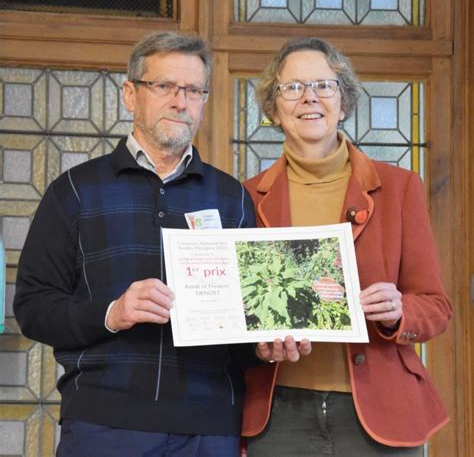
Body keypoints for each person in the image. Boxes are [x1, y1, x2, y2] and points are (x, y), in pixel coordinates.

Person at [13, 31, 284, 457]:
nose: (181, 101)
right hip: (104, 426)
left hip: (210, 429)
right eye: (164, 86)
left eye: (193, 90)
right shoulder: (75, 191)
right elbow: (32, 309)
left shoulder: (232, 198)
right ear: (130, 94)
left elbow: (244, 320)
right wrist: (112, 312)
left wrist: (262, 347)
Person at [241, 37, 453, 456]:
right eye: (293, 87)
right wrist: (258, 346)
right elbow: (239, 311)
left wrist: (398, 313)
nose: (310, 98)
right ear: (274, 107)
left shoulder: (399, 188)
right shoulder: (245, 197)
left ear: (343, 100)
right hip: (278, 414)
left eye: (324, 85)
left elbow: (435, 306)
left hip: (382, 411)